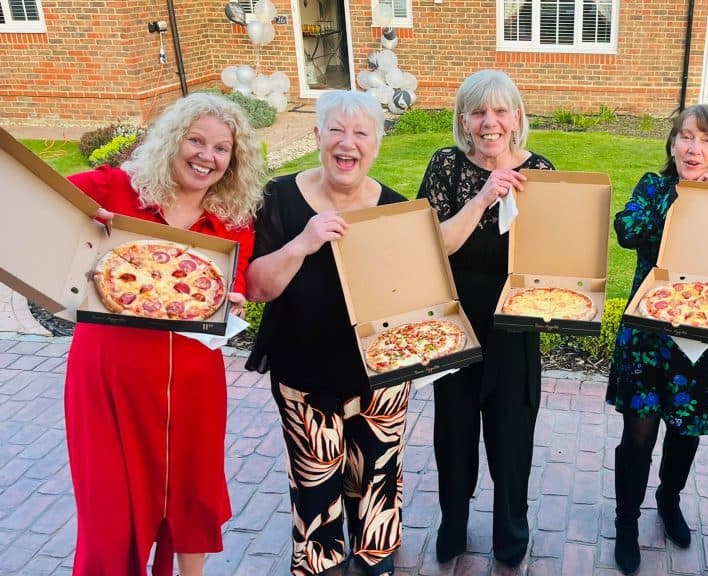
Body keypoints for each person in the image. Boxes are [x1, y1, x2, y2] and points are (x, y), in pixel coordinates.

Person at [64, 92, 266, 576]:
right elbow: (37, 201)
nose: (207, 156)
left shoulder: (233, 223)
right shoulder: (113, 189)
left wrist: (232, 300)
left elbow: (229, 290)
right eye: (195, 141)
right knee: (108, 501)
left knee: (193, 489)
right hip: (109, 373)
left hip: (193, 379)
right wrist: (80, 230)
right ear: (172, 140)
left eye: (221, 149)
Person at [245, 90, 408, 576]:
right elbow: (257, 287)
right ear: (316, 136)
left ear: (376, 145)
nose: (347, 143)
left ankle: (377, 550)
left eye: (361, 133)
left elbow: (409, 297)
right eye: (336, 129)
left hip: (379, 374)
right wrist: (305, 241)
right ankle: (322, 559)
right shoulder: (278, 198)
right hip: (305, 370)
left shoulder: (394, 210)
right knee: (315, 479)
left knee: (377, 472)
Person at [416, 69, 555, 567]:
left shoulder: (540, 169)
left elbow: (553, 255)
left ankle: (511, 533)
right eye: (478, 111)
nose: (489, 122)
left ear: (517, 118)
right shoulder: (446, 167)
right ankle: (453, 522)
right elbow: (434, 247)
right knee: (453, 435)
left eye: (500, 111)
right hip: (454, 322)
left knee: (512, 434)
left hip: (514, 326)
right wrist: (484, 196)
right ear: (463, 120)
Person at [606, 104, 708, 574]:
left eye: (704, 140)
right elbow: (627, 230)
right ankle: (625, 522)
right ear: (672, 144)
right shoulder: (653, 187)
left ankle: (669, 497)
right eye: (685, 137)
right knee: (637, 435)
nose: (693, 148)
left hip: (701, 336)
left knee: (686, 432)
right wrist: (683, 204)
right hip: (649, 332)